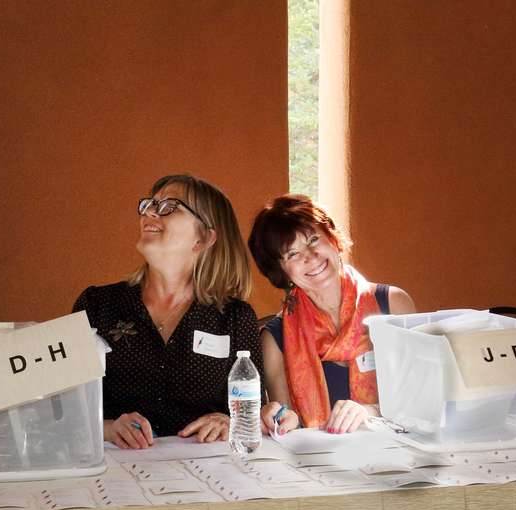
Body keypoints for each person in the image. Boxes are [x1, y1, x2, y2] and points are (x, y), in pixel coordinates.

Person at [73, 174, 262, 449]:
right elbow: (65, 408)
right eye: (150, 204)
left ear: (205, 238)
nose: (150, 211)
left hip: (207, 476)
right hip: (115, 475)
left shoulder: (235, 318)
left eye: (169, 206)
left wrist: (229, 420)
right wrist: (106, 428)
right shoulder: (96, 305)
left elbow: (254, 410)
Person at [248, 194, 415, 435]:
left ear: (333, 238)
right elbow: (288, 423)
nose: (310, 256)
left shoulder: (393, 305)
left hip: (395, 456)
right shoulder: (275, 339)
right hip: (320, 464)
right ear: (281, 272)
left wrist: (369, 412)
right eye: (292, 254)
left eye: (314, 239)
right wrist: (283, 419)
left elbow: (422, 400)